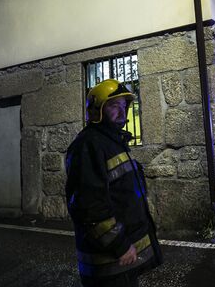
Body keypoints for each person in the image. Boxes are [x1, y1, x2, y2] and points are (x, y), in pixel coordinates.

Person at [65, 79, 162, 287]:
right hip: (108, 264)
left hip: (120, 262)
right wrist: (120, 245)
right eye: (113, 106)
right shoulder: (88, 145)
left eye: (124, 105)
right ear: (97, 110)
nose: (122, 111)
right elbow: (89, 206)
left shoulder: (111, 141)